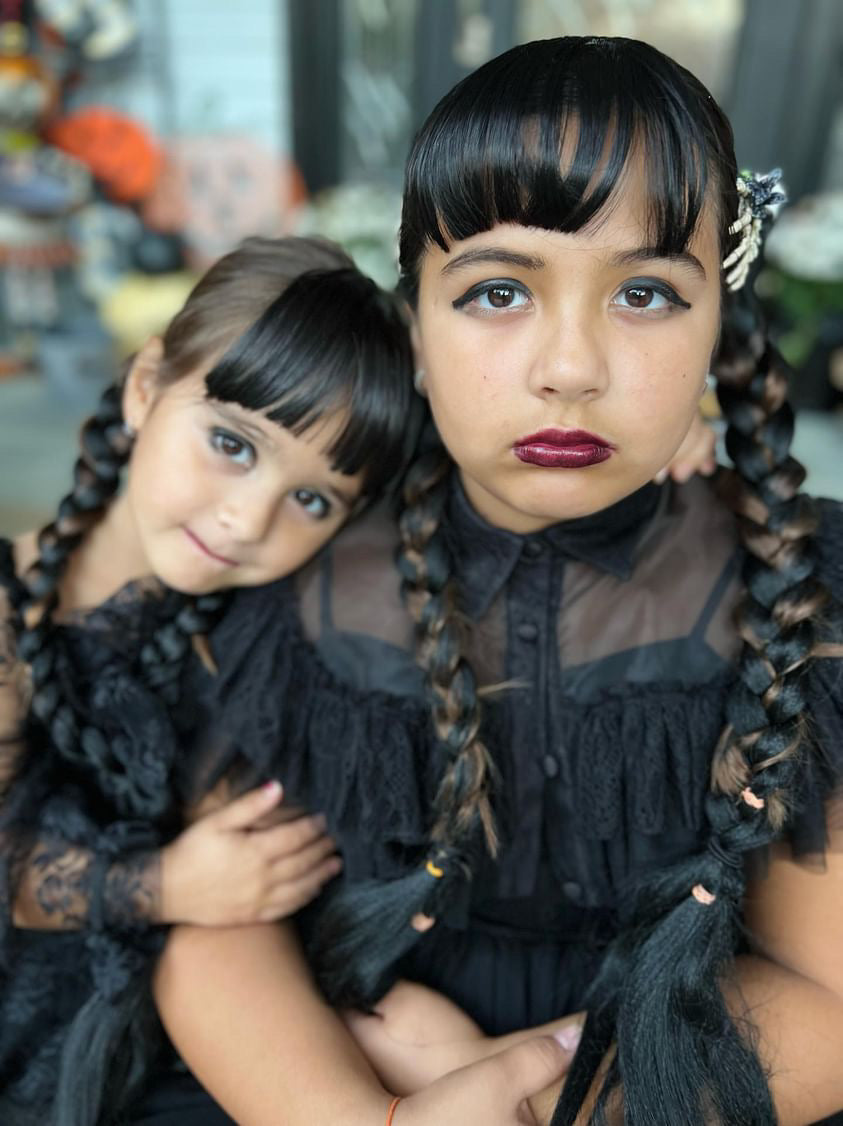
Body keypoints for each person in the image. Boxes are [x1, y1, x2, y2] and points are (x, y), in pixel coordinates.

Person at [153, 34, 843, 1126]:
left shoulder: (805, 591)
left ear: (719, 325)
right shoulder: (300, 555)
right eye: (496, 292)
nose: (569, 365)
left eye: (649, 294)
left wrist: (516, 1104)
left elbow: (828, 1000)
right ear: (416, 327)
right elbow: (217, 924)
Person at [0, 234, 420, 1126]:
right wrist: (161, 885)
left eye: (312, 500)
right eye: (232, 443)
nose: (245, 518)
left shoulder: (257, 637)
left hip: (196, 1029)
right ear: (146, 386)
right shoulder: (11, 621)